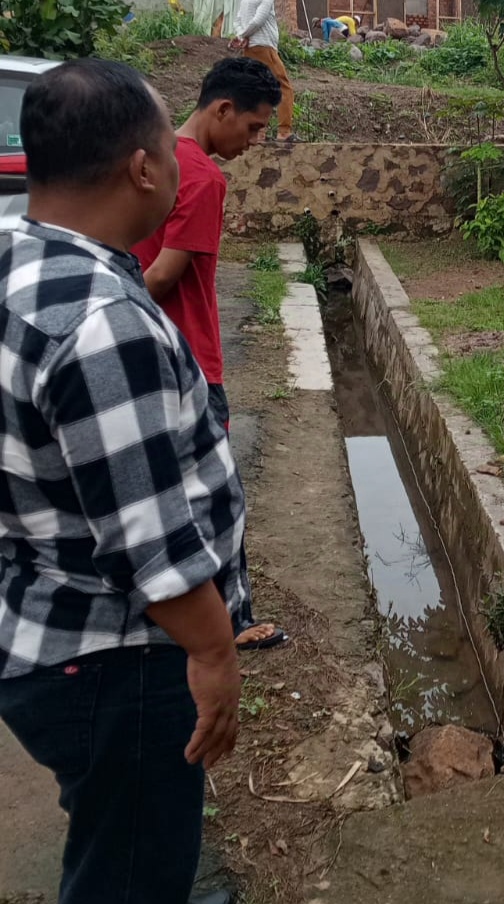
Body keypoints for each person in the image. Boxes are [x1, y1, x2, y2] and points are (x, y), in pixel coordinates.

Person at [0, 58, 243, 904]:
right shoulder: (104, 323)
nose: (178, 164)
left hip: (41, 619)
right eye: (167, 148)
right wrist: (214, 653)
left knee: (117, 825)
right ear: (142, 168)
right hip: (117, 660)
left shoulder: (17, 259)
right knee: (133, 858)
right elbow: (151, 546)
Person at [133, 57, 288, 653]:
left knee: (160, 488)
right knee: (217, 494)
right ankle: (232, 619)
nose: (252, 144)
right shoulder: (201, 178)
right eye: (251, 128)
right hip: (190, 359)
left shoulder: (159, 158)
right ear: (221, 110)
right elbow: (167, 275)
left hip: (148, 355)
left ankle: (164, 610)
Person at [231, 0, 295, 141]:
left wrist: (242, 35)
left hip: (250, 49)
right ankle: (284, 132)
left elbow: (237, 20)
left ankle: (258, 133)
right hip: (265, 47)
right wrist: (244, 35)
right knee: (284, 86)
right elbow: (258, 20)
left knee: (259, 89)